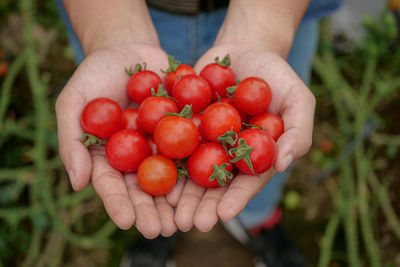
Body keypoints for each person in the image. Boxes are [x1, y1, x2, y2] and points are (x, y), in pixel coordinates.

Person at [55, 0, 343, 265]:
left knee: (263, 179)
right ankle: (162, 233)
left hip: (278, 13)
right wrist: (110, 33)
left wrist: (264, 30)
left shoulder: (230, 129)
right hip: (112, 14)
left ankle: (259, 220)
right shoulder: (162, 119)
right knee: (159, 211)